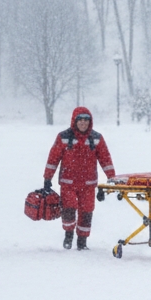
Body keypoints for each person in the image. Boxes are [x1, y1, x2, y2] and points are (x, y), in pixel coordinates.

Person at [42, 106, 116, 251]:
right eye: (80, 120)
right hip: (68, 183)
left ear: (90, 122)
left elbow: (106, 160)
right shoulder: (63, 137)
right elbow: (53, 158)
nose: (83, 123)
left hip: (88, 184)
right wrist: (47, 178)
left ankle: (82, 241)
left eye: (86, 120)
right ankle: (68, 235)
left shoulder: (96, 138)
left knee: (87, 211)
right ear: (74, 121)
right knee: (69, 209)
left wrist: (111, 179)